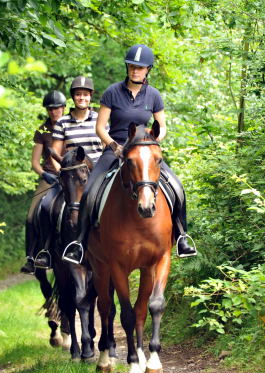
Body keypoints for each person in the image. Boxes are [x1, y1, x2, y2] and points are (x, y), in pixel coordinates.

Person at [63, 44, 197, 264]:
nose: (135, 71)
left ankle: (182, 236)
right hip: (116, 149)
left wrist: (154, 141)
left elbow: (162, 127)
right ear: (127, 68)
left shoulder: (153, 95)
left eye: (140, 68)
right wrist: (114, 146)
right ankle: (79, 243)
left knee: (176, 186)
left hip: (144, 150)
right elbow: (100, 127)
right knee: (90, 189)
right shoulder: (112, 92)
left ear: (147, 70)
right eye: (132, 67)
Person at [29, 75, 105, 269]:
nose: (82, 98)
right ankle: (45, 250)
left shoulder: (99, 118)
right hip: (71, 177)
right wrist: (62, 175)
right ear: (73, 97)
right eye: (78, 94)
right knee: (46, 205)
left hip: (95, 175)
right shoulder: (62, 122)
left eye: (85, 95)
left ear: (90, 97)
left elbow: (105, 149)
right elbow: (55, 154)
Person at [21, 90, 66, 274]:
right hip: (50, 178)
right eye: (51, 109)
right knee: (32, 216)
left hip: (71, 176)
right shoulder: (42, 130)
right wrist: (44, 174)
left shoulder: (70, 125)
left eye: (57, 108)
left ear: (63, 108)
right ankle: (31, 257)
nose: (54, 112)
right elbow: (34, 162)